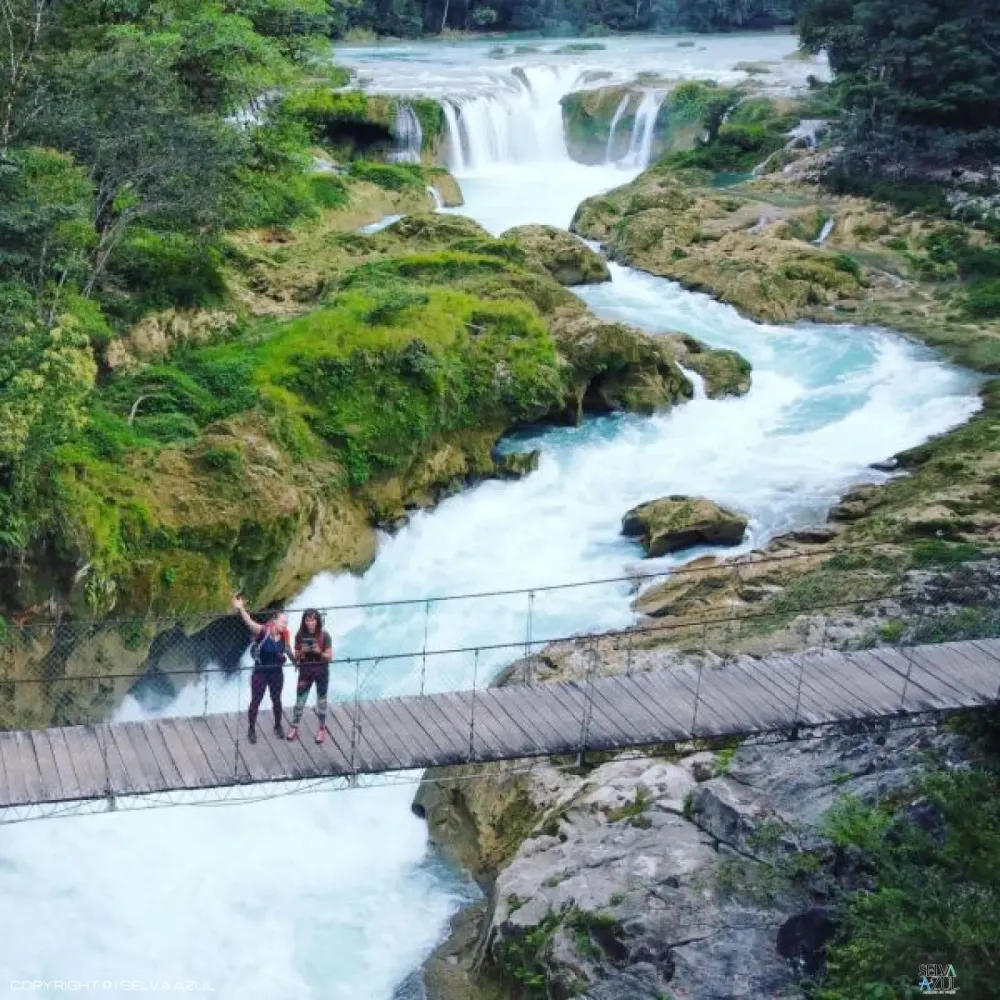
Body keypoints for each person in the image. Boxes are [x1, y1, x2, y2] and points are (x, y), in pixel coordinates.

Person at [232, 594, 291, 744]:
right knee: (256, 700)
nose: (285, 624)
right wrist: (241, 609)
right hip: (260, 671)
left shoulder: (284, 636)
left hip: (276, 673)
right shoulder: (263, 632)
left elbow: (288, 650)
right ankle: (251, 729)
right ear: (274, 621)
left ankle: (278, 725)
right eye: (282, 621)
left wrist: (298, 663)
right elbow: (249, 622)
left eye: (286, 622)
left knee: (276, 700)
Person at [287, 609, 334, 744]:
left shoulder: (325, 636)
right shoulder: (300, 635)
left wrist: (318, 651)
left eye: (313, 620)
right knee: (300, 702)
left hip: (321, 672)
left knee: (322, 702)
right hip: (305, 672)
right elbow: (296, 656)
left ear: (317, 621)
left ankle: (322, 729)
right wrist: (302, 651)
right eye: (307, 620)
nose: (310, 623)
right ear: (304, 621)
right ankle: (294, 727)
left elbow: (330, 657)